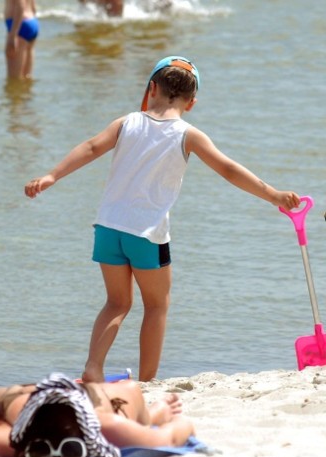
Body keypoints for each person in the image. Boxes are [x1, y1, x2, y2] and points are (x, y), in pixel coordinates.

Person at [24, 56, 301, 383]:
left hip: (108, 227)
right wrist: (274, 195)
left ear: (151, 88)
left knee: (116, 303)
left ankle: (93, 367)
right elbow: (228, 170)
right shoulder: (188, 134)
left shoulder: (126, 122)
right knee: (156, 306)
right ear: (192, 103)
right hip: (147, 234)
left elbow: (90, 147)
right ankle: (147, 381)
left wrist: (52, 175)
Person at [0, 373, 194, 457]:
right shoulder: (3, 436)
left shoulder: (104, 423)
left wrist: (174, 422)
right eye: (38, 451)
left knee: (131, 395)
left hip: (84, 401)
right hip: (9, 403)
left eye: (71, 449)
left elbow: (173, 435)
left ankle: (155, 410)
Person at [4, 0, 39, 80]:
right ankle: (25, 92)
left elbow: (21, 6)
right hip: (31, 21)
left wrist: (13, 36)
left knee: (14, 79)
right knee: (27, 77)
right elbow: (34, 8)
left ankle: (16, 92)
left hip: (19, 26)